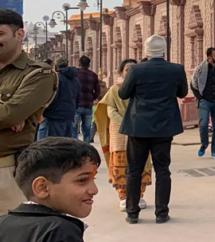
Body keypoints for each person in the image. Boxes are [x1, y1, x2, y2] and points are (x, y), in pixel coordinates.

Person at [119, 35, 188, 223]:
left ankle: (132, 213)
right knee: (163, 170)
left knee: (134, 170)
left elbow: (123, 94)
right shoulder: (176, 70)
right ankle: (161, 213)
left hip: (138, 126)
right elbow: (182, 92)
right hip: (164, 126)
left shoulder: (136, 70)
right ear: (164, 51)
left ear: (146, 52)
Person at [0, 137, 100, 242]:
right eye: (82, 180)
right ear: (43, 187)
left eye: (93, 180)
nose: (94, 190)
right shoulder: (60, 234)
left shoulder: (3, 223)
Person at [0, 9, 58, 214]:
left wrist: (12, 114)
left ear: (19, 35)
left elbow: (10, 115)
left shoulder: (37, 73)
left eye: (0, 34)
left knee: (10, 240)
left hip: (6, 172)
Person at [93, 58, 151, 211]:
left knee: (141, 162)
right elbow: (111, 111)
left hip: (140, 130)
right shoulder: (114, 89)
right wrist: (128, 124)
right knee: (121, 163)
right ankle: (123, 196)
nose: (130, 72)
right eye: (127, 69)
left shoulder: (144, 89)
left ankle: (140, 195)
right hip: (120, 132)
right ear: (121, 72)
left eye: (134, 69)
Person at [191, 47, 215, 159]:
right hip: (205, 101)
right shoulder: (201, 68)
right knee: (203, 125)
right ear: (209, 57)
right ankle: (204, 144)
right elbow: (193, 83)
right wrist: (199, 97)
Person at [42, 59, 80, 139]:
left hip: (56, 115)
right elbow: (78, 96)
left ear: (56, 66)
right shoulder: (75, 79)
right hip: (69, 114)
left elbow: (53, 97)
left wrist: (46, 110)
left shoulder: (57, 78)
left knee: (56, 144)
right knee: (66, 143)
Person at [72, 55, 101, 143]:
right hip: (88, 105)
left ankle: (75, 146)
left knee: (74, 127)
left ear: (79, 63)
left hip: (77, 104)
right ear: (89, 64)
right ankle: (86, 145)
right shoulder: (93, 75)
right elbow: (97, 91)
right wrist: (92, 98)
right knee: (87, 128)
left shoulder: (75, 73)